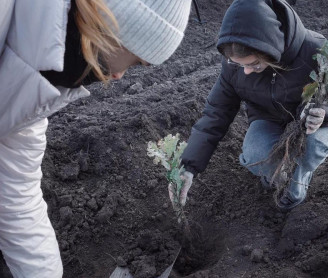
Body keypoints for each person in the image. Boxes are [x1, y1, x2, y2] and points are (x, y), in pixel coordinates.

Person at [0, 0, 191, 276]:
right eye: (135, 61)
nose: (119, 75)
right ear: (115, 25)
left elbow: (16, 191)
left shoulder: (43, 84)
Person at [172, 0, 328, 211]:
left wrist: (325, 114)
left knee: (309, 152)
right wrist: (188, 167)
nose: (247, 71)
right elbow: (216, 113)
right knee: (255, 156)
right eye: (240, 65)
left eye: (254, 64)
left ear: (271, 50)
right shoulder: (234, 67)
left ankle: (299, 180)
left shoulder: (317, 51)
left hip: (311, 122)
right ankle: (278, 175)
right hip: (268, 117)